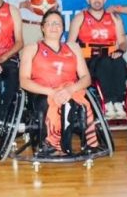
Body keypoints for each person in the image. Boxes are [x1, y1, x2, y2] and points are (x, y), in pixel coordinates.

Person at [19, 10, 97, 154]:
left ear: (62, 28)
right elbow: (23, 81)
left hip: (69, 90)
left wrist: (69, 90)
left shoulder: (73, 47)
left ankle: (82, 143)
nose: (53, 26)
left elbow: (86, 78)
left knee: (73, 102)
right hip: (42, 92)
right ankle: (54, 143)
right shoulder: (32, 48)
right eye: (49, 23)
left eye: (57, 23)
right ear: (42, 27)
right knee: (50, 102)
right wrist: (51, 92)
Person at [67, 0, 127, 119]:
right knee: (104, 63)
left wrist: (120, 50)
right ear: (88, 0)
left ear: (105, 0)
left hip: (111, 56)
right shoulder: (80, 18)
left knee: (119, 61)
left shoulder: (114, 18)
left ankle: (118, 102)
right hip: (89, 59)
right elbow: (70, 44)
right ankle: (107, 103)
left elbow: (123, 42)